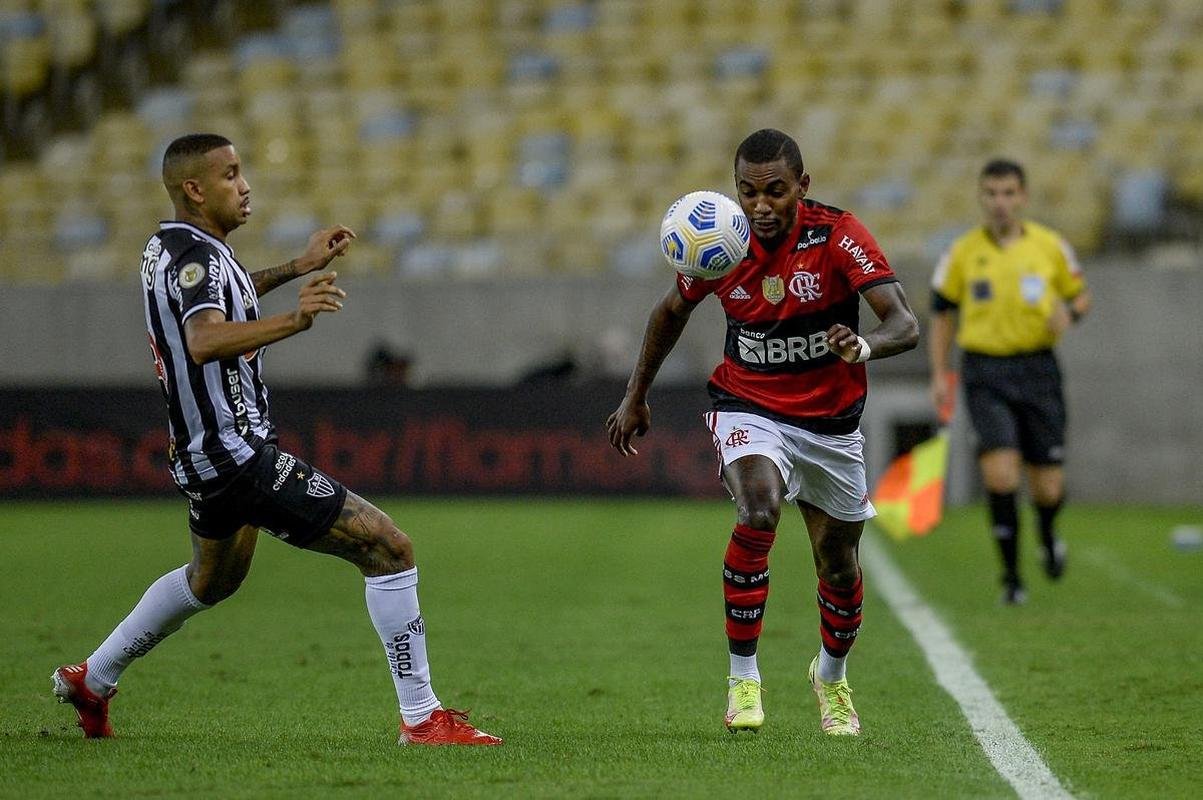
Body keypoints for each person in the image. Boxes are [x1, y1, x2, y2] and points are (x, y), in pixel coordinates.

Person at [51, 133, 501, 746]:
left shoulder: (178, 250)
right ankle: (422, 719)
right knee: (389, 548)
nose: (244, 185)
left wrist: (297, 268)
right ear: (194, 188)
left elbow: (225, 293)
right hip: (235, 453)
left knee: (211, 581)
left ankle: (93, 678)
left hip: (205, 458)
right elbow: (203, 340)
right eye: (231, 174)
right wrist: (297, 317)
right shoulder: (194, 257)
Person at [606, 129, 919, 736]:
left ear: (802, 186)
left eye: (774, 191)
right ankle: (743, 678)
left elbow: (903, 323)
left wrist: (862, 345)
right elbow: (671, 310)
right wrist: (634, 395)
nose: (759, 206)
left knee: (839, 566)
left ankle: (830, 677)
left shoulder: (837, 236)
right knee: (758, 510)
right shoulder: (722, 242)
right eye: (747, 192)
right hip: (748, 405)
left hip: (831, 425)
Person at [928, 158, 1091, 606]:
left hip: (1038, 371)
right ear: (982, 197)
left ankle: (1047, 532)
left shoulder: (1049, 246)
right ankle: (1013, 579)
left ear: (1023, 197)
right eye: (991, 194)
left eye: (1008, 193)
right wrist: (940, 373)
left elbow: (1081, 296)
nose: (1000, 203)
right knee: (1000, 475)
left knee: (1048, 487)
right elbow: (942, 312)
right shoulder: (961, 252)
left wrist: (1070, 313)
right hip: (985, 371)